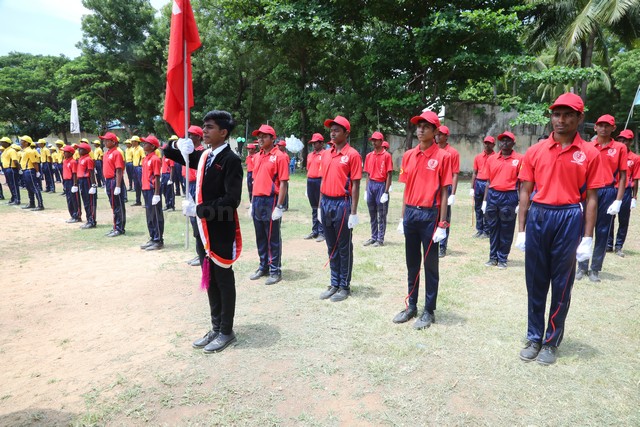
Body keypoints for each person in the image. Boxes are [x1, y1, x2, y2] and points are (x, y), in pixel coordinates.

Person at [516, 93, 604, 365]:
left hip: (569, 216)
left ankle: (551, 341)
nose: (561, 120)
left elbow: (592, 198)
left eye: (568, 115)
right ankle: (534, 337)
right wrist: (522, 229)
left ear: (580, 117)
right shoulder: (535, 151)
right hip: (539, 215)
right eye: (556, 114)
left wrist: (587, 237)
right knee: (535, 281)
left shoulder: (589, 153)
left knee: (562, 284)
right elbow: (525, 191)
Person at [167, 110, 243, 353]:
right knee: (209, 278)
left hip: (220, 228)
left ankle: (226, 330)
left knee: (223, 279)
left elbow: (232, 200)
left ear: (223, 132)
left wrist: (200, 210)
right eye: (204, 126)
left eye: (210, 127)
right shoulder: (204, 156)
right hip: (203, 229)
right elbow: (168, 152)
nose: (205, 131)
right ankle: (216, 326)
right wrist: (177, 144)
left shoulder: (230, 160)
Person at [392, 110, 451, 329]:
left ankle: (429, 310)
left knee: (430, 265)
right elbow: (407, 188)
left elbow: (444, 191)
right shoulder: (409, 155)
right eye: (419, 126)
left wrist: (442, 223)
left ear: (435, 131)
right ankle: (411, 306)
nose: (421, 130)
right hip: (411, 213)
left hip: (430, 215)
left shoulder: (442, 156)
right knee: (412, 263)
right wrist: (402, 217)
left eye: (426, 126)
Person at [576, 114, 628, 282]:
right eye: (600, 125)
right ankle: (582, 266)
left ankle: (595, 269)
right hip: (589, 190)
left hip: (607, 191)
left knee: (603, 230)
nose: (603, 128)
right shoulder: (587, 146)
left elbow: (623, 175)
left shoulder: (620, 148)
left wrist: (618, 200)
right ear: (595, 127)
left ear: (613, 128)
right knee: (584, 229)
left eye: (607, 126)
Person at [318, 115, 362, 302]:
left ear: (346, 133)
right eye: (331, 130)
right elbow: (323, 180)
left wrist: (353, 212)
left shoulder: (352, 155)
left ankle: (344, 285)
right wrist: (319, 206)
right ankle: (334, 282)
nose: (333, 133)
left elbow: (356, 184)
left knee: (343, 246)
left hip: (342, 203)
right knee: (331, 245)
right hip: (326, 202)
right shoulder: (326, 154)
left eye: (337, 130)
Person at [248, 124, 289, 285]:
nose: (260, 139)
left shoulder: (279, 156)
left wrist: (279, 206)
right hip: (258, 200)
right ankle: (263, 265)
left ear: (273, 138)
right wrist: (252, 202)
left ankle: (275, 270)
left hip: (271, 200)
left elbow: (284, 182)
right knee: (260, 236)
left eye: (264, 136)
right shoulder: (257, 156)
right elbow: (255, 180)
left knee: (272, 237)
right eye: (259, 136)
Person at [481, 131, 523, 269]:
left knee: (506, 228)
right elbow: (488, 181)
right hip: (493, 194)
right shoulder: (492, 159)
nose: (504, 143)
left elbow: (522, 183)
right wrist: (485, 200)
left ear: (513, 143)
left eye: (508, 140)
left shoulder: (519, 159)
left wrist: (520, 202)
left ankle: (503, 258)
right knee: (493, 227)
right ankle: (493, 257)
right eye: (502, 140)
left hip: (509, 196)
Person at [607, 129, 639, 257]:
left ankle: (619, 246)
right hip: (611, 189)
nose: (622, 142)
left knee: (623, 220)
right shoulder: (612, 154)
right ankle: (608, 244)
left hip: (625, 191)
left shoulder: (635, 158)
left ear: (630, 142)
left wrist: (634, 197)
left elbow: (636, 178)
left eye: (625, 140)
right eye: (620, 139)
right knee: (609, 217)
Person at [363, 131, 393, 247]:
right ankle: (373, 236)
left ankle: (380, 239)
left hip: (381, 184)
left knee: (382, 214)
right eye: (372, 140)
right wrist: (366, 190)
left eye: (376, 140)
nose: (374, 142)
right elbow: (368, 174)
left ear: (381, 141)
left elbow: (389, 174)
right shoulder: (369, 156)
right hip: (371, 185)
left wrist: (386, 191)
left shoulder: (386, 156)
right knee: (372, 213)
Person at [435, 125, 459, 257]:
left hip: (446, 186)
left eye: (441, 134)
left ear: (446, 136)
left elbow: (455, 174)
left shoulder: (452, 153)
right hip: (433, 186)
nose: (438, 136)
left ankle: (442, 246)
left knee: (444, 216)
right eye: (437, 134)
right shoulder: (432, 149)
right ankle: (433, 242)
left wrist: (453, 194)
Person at [139, 135, 164, 250]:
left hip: (152, 190)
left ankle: (158, 240)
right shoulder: (146, 158)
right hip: (146, 189)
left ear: (153, 146)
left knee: (155, 215)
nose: (143, 145)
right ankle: (153, 237)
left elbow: (157, 177)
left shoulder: (155, 159)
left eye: (146, 143)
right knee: (149, 215)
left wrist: (157, 194)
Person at [101, 132, 126, 237]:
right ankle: (116, 226)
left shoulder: (117, 153)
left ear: (113, 142)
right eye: (104, 140)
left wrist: (118, 186)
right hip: (108, 181)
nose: (105, 142)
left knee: (118, 205)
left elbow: (119, 170)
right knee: (113, 205)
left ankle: (120, 228)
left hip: (114, 180)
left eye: (107, 140)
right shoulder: (107, 153)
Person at [471, 136, 496, 238]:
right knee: (478, 207)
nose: (487, 145)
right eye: (485, 143)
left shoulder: (496, 157)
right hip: (479, 183)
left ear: (493, 145)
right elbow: (474, 172)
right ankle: (479, 229)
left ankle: (487, 230)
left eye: (489, 143)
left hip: (489, 183)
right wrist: (472, 187)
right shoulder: (478, 157)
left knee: (487, 207)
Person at [304, 133, 325, 242]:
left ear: (321, 143)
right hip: (310, 181)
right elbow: (308, 169)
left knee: (321, 207)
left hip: (320, 181)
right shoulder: (310, 155)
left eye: (315, 143)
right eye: (312, 143)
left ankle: (322, 231)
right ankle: (315, 230)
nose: (313, 145)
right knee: (314, 207)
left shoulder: (325, 154)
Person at [18, 136, 44, 211]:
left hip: (29, 170)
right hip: (25, 170)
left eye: (22, 140)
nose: (20, 142)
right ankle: (32, 203)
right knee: (29, 188)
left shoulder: (30, 151)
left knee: (34, 187)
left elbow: (34, 162)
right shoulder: (24, 151)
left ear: (26, 142)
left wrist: (37, 171)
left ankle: (40, 205)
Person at [76, 142, 98, 229]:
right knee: (85, 201)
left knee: (90, 202)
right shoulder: (81, 159)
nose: (79, 150)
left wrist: (93, 185)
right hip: (82, 180)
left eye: (80, 149)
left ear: (86, 150)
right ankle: (88, 219)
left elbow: (91, 172)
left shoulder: (88, 159)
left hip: (87, 180)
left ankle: (92, 221)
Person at [62, 145, 82, 223]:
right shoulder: (65, 161)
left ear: (70, 153)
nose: (64, 153)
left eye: (65, 152)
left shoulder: (73, 162)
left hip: (71, 181)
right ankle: (72, 215)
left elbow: (74, 174)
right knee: (69, 199)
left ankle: (77, 216)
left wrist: (75, 184)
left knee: (75, 199)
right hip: (66, 181)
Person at [1, 137, 20, 205]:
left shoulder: (11, 150)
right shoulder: (5, 150)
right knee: (10, 184)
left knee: (14, 184)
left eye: (2, 142)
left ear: (7, 143)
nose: (1, 143)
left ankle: (17, 199)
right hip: (6, 169)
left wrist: (19, 169)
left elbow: (15, 161)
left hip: (11, 168)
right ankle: (13, 197)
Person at [130, 136, 145, 206]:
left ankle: (146, 201)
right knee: (136, 185)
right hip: (134, 167)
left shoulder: (140, 149)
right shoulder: (133, 149)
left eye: (133, 141)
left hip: (139, 167)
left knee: (141, 184)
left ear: (136, 142)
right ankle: (138, 201)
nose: (131, 142)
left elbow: (143, 158)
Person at [160, 145, 175, 211]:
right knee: (164, 190)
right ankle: (167, 204)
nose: (162, 151)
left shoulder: (170, 157)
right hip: (163, 175)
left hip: (168, 174)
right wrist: (161, 176)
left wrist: (171, 179)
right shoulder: (164, 157)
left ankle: (171, 206)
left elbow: (172, 168)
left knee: (169, 191)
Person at [277, 139, 290, 211]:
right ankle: (280, 204)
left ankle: (285, 206)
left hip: (284, 175)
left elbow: (286, 166)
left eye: (280, 146)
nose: (278, 147)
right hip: (278, 176)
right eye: (278, 145)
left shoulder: (285, 155)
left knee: (285, 191)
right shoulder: (278, 154)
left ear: (284, 146)